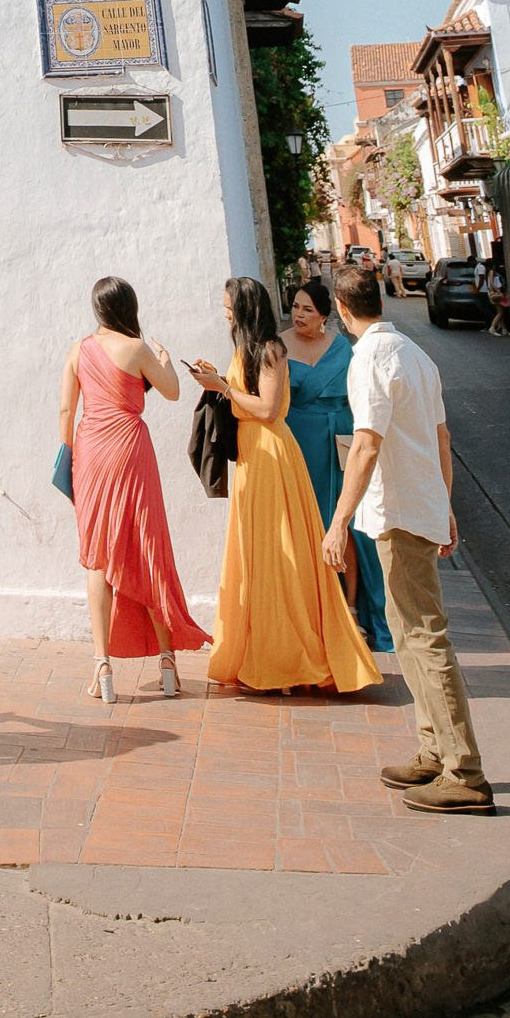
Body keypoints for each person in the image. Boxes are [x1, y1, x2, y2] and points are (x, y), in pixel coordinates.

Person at [321, 266, 493, 813]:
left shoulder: (368, 358)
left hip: (399, 511)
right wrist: (444, 505)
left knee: (422, 635)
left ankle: (464, 770)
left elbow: (367, 443)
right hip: (416, 506)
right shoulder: (417, 354)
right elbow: (441, 438)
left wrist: (338, 520)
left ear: (342, 312)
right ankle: (433, 751)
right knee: (409, 630)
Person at [189, 277, 380, 697]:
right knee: (259, 554)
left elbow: (269, 409)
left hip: (273, 457)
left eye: (227, 306)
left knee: (283, 553)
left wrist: (223, 387)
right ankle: (263, 653)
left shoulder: (272, 351)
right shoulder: (247, 351)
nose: (223, 313)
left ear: (243, 308)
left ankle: (293, 657)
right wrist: (217, 380)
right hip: (253, 460)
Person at [60, 275, 208, 703]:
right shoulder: (138, 349)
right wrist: (162, 357)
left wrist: (67, 454)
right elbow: (174, 391)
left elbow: (67, 407)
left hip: (91, 450)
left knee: (97, 557)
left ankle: (101, 665)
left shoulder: (79, 350)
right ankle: (166, 662)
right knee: (148, 547)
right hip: (131, 447)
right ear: (129, 307)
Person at [283, 280, 392, 653]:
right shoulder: (280, 346)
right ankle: (312, 612)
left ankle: (352, 610)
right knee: (307, 524)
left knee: (345, 525)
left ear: (326, 316)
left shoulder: (343, 347)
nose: (299, 315)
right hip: (299, 441)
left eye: (307, 309)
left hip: (341, 440)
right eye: (295, 307)